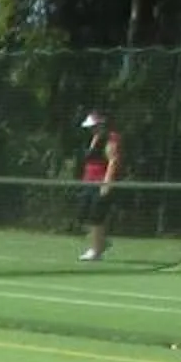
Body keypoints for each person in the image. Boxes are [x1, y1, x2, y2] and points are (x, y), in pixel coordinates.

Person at [75, 109, 123, 261]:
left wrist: (106, 183)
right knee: (83, 214)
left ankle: (96, 251)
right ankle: (101, 241)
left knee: (96, 216)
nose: (92, 129)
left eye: (94, 126)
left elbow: (113, 160)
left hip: (101, 181)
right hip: (88, 181)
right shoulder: (92, 139)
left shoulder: (111, 138)